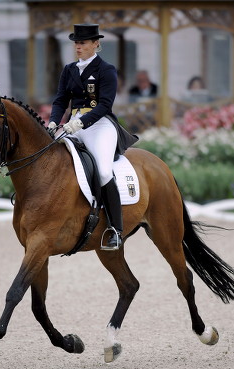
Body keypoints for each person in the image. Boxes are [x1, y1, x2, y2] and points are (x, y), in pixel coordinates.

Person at [48, 23, 137, 250]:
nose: (78, 47)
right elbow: (60, 100)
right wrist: (53, 121)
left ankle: (116, 229)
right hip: (71, 125)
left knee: (104, 170)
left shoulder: (105, 70)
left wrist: (79, 123)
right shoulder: (69, 69)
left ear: (96, 44)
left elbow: (105, 104)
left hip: (98, 125)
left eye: (83, 43)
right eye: (76, 43)